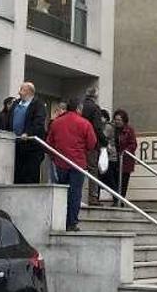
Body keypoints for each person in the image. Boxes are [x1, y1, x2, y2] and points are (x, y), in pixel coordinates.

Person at [46, 97, 97, 231]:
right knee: (75, 193)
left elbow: (49, 142)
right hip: (78, 163)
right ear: (78, 109)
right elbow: (92, 143)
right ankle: (71, 222)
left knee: (61, 193)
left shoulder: (56, 123)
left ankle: (59, 220)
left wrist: (54, 157)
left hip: (60, 163)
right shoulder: (84, 123)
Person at [6, 82, 47, 184]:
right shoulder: (15, 104)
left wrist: (28, 133)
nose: (19, 93)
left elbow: (38, 122)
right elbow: (8, 120)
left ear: (30, 92)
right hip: (16, 145)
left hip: (31, 148)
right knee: (16, 175)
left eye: (22, 90)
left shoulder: (38, 105)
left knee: (30, 176)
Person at [81, 87, 108, 205]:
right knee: (92, 169)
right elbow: (97, 127)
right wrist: (104, 141)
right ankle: (93, 197)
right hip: (91, 144)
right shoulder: (95, 108)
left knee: (78, 168)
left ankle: (77, 196)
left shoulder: (80, 106)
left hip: (78, 143)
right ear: (95, 96)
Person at [114, 109, 138, 203]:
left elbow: (133, 144)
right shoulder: (114, 130)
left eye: (119, 120)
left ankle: (120, 200)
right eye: (116, 119)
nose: (117, 122)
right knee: (114, 181)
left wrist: (125, 152)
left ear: (124, 120)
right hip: (114, 160)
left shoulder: (129, 130)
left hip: (125, 160)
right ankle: (116, 199)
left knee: (123, 181)